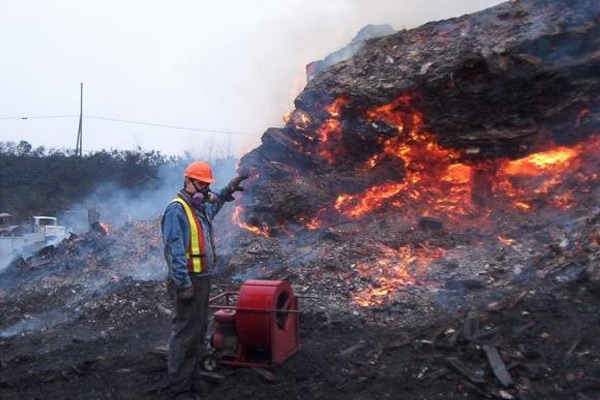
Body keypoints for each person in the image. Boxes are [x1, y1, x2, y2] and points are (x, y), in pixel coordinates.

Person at [161, 160, 247, 399]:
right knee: (185, 333)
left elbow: (216, 203)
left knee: (199, 331)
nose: (205, 190)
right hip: (188, 281)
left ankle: (195, 378)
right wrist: (183, 285)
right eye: (201, 184)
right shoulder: (176, 210)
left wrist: (229, 188)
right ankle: (179, 389)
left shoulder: (199, 208)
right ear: (187, 181)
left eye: (207, 185)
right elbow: (173, 250)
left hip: (202, 279)